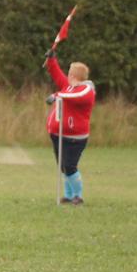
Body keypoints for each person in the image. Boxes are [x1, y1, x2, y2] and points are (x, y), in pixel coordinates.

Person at [44, 49, 96, 205]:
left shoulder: (86, 90)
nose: (67, 75)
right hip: (58, 134)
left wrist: (56, 95)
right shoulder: (68, 86)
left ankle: (78, 196)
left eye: (69, 73)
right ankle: (68, 195)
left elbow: (76, 97)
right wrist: (51, 60)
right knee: (63, 167)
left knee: (70, 166)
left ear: (73, 75)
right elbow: (57, 74)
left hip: (74, 137)